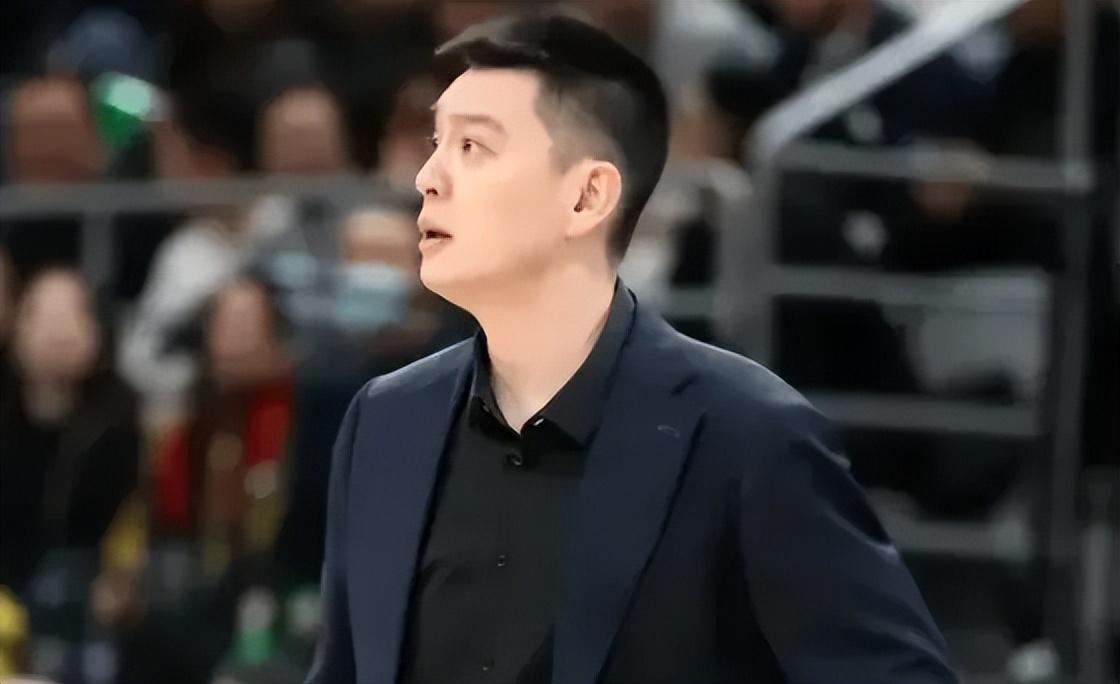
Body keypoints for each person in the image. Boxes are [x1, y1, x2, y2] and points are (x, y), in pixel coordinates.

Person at [307, 12, 954, 684]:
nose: (427, 177)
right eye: (435, 143)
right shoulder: (384, 421)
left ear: (587, 197)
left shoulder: (750, 436)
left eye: (472, 146)